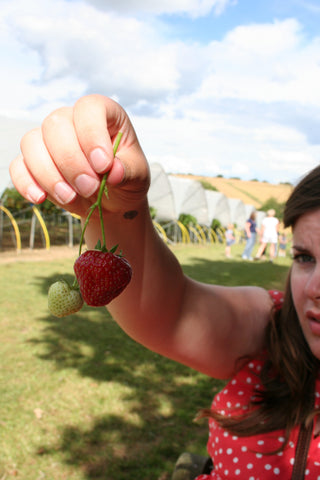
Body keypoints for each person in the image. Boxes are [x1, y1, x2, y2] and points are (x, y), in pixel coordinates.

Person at [9, 95, 320, 478]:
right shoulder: (273, 328)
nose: (316, 287)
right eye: (305, 257)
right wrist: (116, 206)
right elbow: (171, 313)